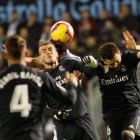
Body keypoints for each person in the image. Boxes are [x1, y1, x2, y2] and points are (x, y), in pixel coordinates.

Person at [0, 35, 78, 140]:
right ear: (26, 53)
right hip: (33, 136)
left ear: (5, 55)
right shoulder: (40, 77)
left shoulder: (1, 79)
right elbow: (70, 98)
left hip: (7, 135)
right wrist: (72, 83)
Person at [38, 40, 103, 140]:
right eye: (44, 51)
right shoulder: (40, 79)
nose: (48, 52)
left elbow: (95, 71)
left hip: (83, 118)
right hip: (63, 125)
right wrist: (54, 113)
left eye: (50, 49)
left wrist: (94, 64)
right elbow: (40, 108)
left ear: (56, 53)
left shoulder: (70, 64)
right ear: (40, 58)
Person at [82, 31, 140, 140]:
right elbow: (79, 74)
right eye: (112, 64)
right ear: (104, 61)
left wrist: (136, 47)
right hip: (111, 113)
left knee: (127, 137)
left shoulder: (128, 58)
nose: (116, 65)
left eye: (117, 61)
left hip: (131, 108)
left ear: (118, 52)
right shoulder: (99, 67)